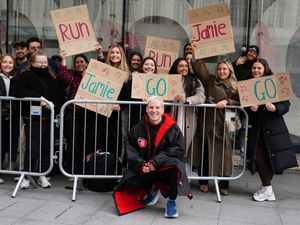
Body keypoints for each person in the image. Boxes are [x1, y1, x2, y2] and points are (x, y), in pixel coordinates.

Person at [113, 96, 192, 218]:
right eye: (151, 107)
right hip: (145, 168)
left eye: (157, 107)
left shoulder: (172, 128)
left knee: (174, 168)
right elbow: (130, 149)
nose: (154, 110)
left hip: (163, 168)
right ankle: (152, 188)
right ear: (146, 109)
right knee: (129, 183)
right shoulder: (137, 128)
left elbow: (177, 150)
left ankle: (171, 202)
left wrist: (155, 163)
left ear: (163, 109)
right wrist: (141, 164)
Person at [246, 58, 298, 202]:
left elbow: (286, 104)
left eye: (259, 68)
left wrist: (276, 108)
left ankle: (267, 189)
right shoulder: (247, 85)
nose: (256, 71)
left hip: (273, 128)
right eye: (254, 68)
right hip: (257, 129)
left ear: (265, 69)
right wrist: (251, 109)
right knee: (258, 157)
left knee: (272, 159)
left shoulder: (275, 83)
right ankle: (267, 188)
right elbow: (243, 107)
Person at [192, 60, 240, 196]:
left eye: (224, 69)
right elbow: (199, 69)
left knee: (224, 155)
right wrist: (197, 54)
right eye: (219, 69)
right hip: (208, 121)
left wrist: (227, 101)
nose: (221, 71)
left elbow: (242, 99)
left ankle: (224, 184)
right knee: (206, 152)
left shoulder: (235, 86)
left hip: (224, 124)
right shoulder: (211, 80)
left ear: (230, 70)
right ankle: (203, 182)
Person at [13, 51, 60, 189]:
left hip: (48, 117)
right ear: (32, 63)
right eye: (39, 61)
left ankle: (42, 175)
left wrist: (53, 103)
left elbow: (58, 94)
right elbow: (18, 91)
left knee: (46, 147)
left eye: (44, 62)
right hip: (33, 118)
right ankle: (27, 176)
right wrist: (38, 98)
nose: (42, 64)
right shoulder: (26, 75)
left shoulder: (52, 77)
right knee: (32, 147)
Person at [168, 58, 205, 175]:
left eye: (186, 66)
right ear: (176, 68)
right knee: (170, 145)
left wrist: (188, 99)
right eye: (181, 66)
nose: (184, 68)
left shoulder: (194, 81)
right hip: (171, 116)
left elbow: (201, 96)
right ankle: (170, 173)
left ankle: (183, 175)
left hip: (187, 118)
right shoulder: (169, 80)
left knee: (185, 146)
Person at [0, 54, 18, 184]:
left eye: (10, 62)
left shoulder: (13, 80)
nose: (7, 65)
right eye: (5, 62)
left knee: (4, 143)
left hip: (8, 117)